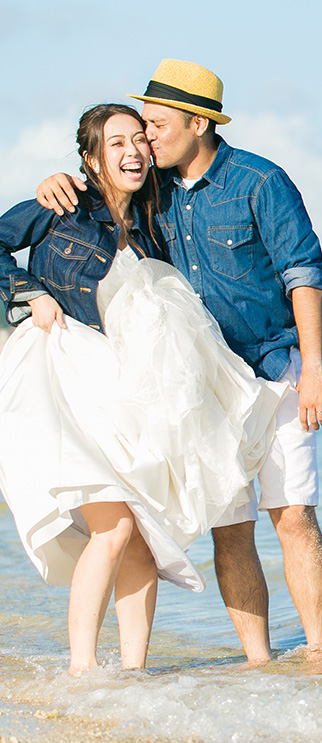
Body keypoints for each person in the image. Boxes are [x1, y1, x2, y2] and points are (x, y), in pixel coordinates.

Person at [39, 60, 322, 665]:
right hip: (202, 388)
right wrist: (55, 184)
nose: (145, 138)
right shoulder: (154, 190)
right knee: (230, 530)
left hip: (275, 370)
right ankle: (259, 663)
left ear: (198, 123)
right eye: (141, 126)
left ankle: (320, 657)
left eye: (155, 124)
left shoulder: (260, 181)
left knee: (294, 515)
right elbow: (98, 198)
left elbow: (303, 273)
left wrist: (314, 368)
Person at [0, 104, 286, 675]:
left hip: (119, 393)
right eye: (115, 144)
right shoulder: (64, 206)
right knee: (116, 526)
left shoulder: (156, 223)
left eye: (139, 139)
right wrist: (30, 292)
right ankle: (82, 671)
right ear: (90, 157)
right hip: (61, 382)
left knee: (140, 537)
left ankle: (132, 674)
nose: (132, 151)